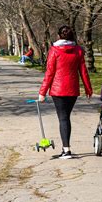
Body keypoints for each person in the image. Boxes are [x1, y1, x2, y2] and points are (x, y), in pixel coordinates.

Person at [38, 25, 93, 159]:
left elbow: (50, 73)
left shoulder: (54, 50)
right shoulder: (78, 50)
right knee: (66, 118)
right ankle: (66, 149)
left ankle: (66, 150)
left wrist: (42, 92)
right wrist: (88, 89)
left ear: (58, 36)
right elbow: (83, 71)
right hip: (72, 89)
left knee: (63, 118)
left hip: (58, 90)